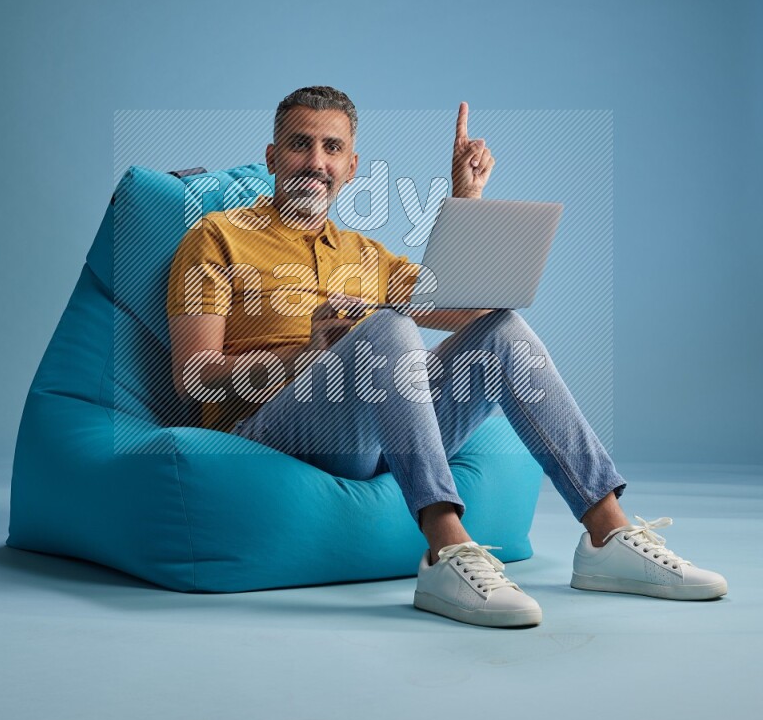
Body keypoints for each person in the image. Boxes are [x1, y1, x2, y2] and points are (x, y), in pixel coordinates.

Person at [166, 85, 727, 628]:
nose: (316, 161)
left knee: (503, 329)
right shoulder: (217, 236)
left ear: (351, 166)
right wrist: (306, 360)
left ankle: (607, 534)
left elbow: (472, 307)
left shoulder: (366, 254)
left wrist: (467, 202)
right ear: (271, 156)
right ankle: (446, 552)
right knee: (387, 328)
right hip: (271, 433)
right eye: (299, 144)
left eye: (331, 148)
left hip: (372, 431)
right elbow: (195, 379)